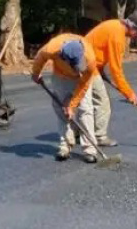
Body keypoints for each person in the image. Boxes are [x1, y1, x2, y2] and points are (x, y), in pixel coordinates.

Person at [84, 11, 137, 147]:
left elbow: (97, 46)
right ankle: (99, 136)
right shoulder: (117, 36)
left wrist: (101, 70)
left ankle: (81, 131)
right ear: (132, 26)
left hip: (84, 62)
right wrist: (129, 93)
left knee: (85, 101)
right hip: (88, 65)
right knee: (103, 102)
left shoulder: (114, 25)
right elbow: (117, 71)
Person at [31, 34, 99, 163]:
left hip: (82, 81)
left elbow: (83, 86)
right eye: (75, 65)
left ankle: (90, 150)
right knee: (62, 110)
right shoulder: (52, 48)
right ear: (64, 58)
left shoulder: (89, 60)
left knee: (85, 110)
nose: (78, 68)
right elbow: (40, 57)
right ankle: (65, 146)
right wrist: (36, 72)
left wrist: (72, 105)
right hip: (61, 76)